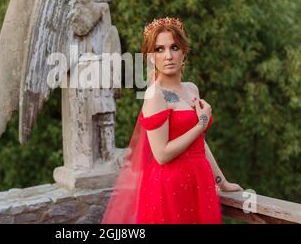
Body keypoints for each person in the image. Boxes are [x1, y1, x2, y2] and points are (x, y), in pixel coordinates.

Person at [101, 17, 243, 224]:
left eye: (174, 47)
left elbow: (199, 143)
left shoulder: (191, 89)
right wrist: (201, 124)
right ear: (151, 57)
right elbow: (161, 154)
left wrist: (222, 183)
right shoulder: (155, 95)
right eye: (159, 49)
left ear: (184, 52)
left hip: (199, 181)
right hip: (170, 188)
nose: (168, 56)